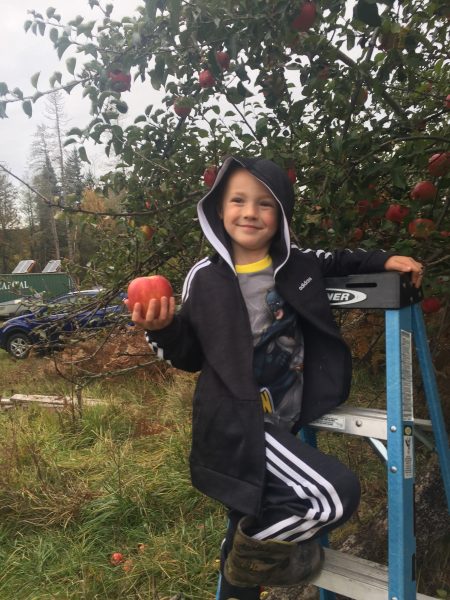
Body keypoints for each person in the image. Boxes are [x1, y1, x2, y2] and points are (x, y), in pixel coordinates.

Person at [127, 156, 424, 600]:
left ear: (281, 214)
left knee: (245, 520)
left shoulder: (298, 262)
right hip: (236, 423)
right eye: (238, 200)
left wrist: (384, 259)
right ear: (218, 210)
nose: (250, 212)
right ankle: (266, 560)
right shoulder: (203, 278)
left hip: (285, 416)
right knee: (333, 495)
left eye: (265, 204)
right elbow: (188, 355)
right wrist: (161, 329)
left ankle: (243, 565)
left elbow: (340, 259)